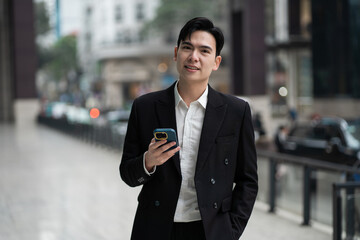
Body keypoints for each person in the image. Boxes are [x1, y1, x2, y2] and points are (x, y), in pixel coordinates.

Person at [120, 17, 258, 240]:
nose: (193, 57)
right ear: (176, 53)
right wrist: (148, 161)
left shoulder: (236, 111)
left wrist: (230, 231)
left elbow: (248, 181)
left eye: (204, 51)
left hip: (210, 230)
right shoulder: (145, 107)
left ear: (216, 62)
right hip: (154, 228)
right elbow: (127, 173)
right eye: (187, 48)